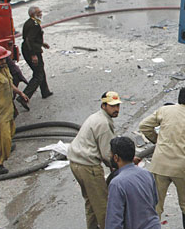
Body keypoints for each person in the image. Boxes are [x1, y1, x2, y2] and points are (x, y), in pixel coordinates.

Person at [139, 86, 185, 229]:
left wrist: (157, 140)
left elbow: (143, 126)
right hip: (182, 168)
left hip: (159, 165)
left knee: (156, 202)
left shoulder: (165, 110)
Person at [67, 91, 122, 229]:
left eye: (117, 106)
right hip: (88, 166)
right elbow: (107, 154)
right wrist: (121, 167)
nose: (116, 109)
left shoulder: (96, 117)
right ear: (104, 106)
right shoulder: (103, 124)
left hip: (76, 163)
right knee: (103, 205)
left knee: (91, 202)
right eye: (112, 106)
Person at [0, 46, 28, 175]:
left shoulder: (4, 69)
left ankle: (7, 146)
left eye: (4, 58)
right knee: (2, 139)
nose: (3, 61)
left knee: (10, 132)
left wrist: (19, 92)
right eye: (0, 60)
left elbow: (9, 83)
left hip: (7, 109)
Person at [105, 136, 161, 229]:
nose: (109, 156)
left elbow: (114, 221)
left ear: (116, 157)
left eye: (111, 154)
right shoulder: (146, 173)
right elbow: (154, 201)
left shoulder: (117, 183)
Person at [17, 6, 52, 111]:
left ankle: (45, 91)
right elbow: (29, 40)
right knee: (38, 74)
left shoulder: (31, 22)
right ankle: (24, 96)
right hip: (31, 50)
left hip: (30, 48)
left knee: (40, 70)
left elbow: (31, 38)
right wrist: (33, 55)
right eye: (39, 12)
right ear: (33, 14)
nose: (41, 14)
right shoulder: (34, 25)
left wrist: (42, 43)